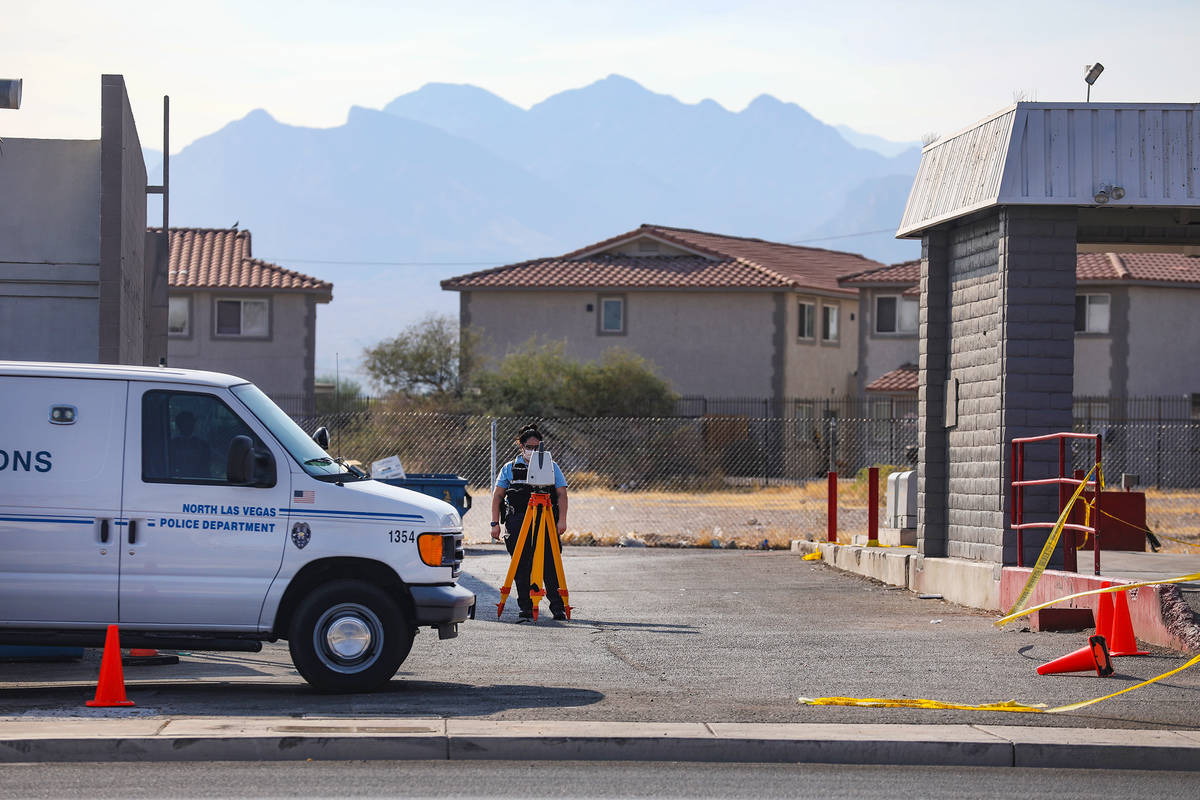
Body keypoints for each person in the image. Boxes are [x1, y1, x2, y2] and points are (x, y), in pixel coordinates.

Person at [490, 424, 569, 622]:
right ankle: (525, 607)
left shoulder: (551, 466)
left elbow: (561, 494)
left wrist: (562, 520)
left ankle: (557, 607)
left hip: (546, 518)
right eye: (529, 447)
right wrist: (494, 523)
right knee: (521, 564)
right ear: (521, 446)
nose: (533, 451)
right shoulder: (509, 468)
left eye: (537, 447)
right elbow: (498, 496)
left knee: (550, 563)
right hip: (518, 520)